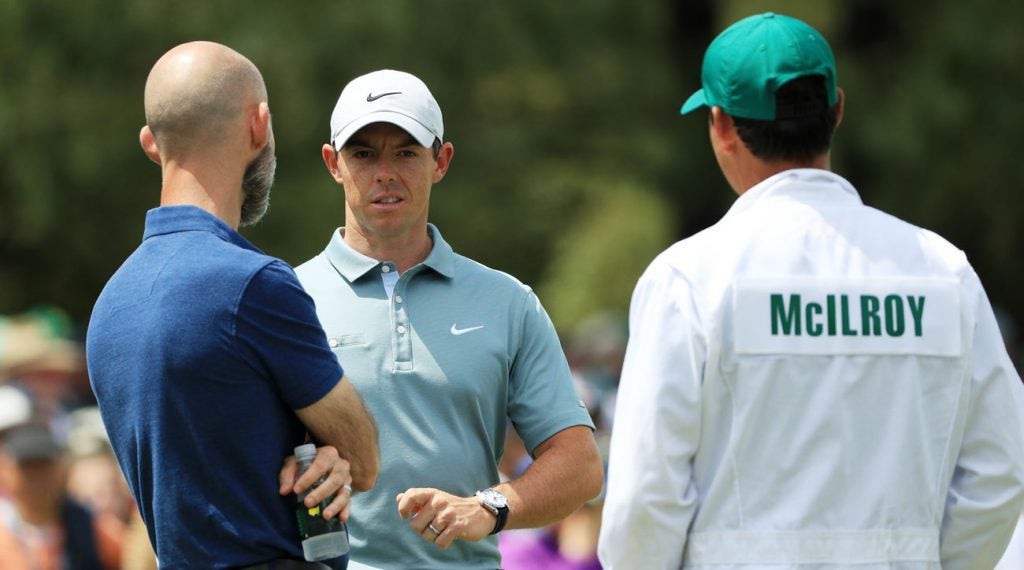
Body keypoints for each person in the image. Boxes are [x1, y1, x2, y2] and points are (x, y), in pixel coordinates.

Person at [598, 12, 1024, 569]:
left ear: (722, 126)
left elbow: (645, 499)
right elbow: (1000, 470)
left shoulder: (689, 278)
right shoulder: (942, 272)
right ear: (838, 111)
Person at [85, 41, 380, 569]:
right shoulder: (255, 284)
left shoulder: (110, 304)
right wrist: (333, 452)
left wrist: (324, 451)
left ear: (152, 144)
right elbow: (365, 459)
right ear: (259, 126)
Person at [295, 69, 604, 569]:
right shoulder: (286, 298)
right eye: (364, 153)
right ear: (334, 163)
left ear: (441, 161)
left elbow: (581, 466)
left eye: (406, 152)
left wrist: (490, 506)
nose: (385, 172)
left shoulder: (507, 301)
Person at [0, 421, 120, 570]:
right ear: (4, 471)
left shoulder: (95, 528)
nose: (36, 478)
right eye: (26, 467)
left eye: (44, 465)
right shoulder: (4, 535)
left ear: (59, 468)